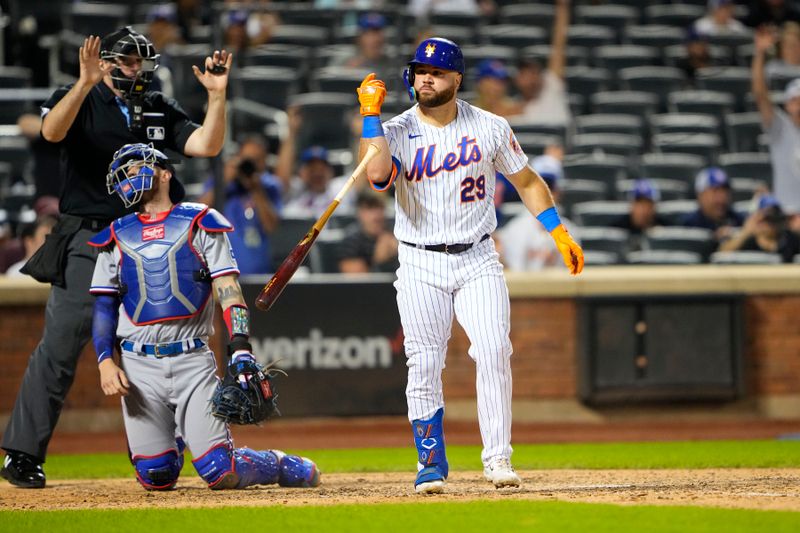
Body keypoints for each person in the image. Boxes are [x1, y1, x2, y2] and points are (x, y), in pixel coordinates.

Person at [1, 27, 232, 489]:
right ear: (104, 61)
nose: (136, 70)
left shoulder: (157, 106)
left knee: (165, 339)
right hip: (92, 238)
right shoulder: (79, 95)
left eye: (141, 62)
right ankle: (23, 455)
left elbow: (206, 145)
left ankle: (171, 440)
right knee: (62, 344)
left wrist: (218, 97)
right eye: (127, 61)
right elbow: (51, 131)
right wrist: (85, 83)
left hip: (153, 241)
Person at [355, 38, 584, 493]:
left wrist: (558, 231)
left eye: (436, 72)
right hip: (419, 260)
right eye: (420, 69)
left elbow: (527, 180)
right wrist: (369, 117)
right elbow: (378, 176)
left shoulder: (491, 127)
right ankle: (430, 463)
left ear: (457, 78)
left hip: (478, 255)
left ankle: (497, 458)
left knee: (495, 350)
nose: (426, 77)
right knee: (423, 362)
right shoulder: (394, 129)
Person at [88, 143, 320, 491]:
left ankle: (278, 464)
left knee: (219, 470)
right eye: (124, 172)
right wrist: (106, 360)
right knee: (156, 476)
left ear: (165, 173)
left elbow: (228, 288)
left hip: (191, 358)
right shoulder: (114, 235)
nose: (129, 177)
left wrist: (240, 346)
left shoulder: (200, 222)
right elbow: (104, 307)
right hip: (138, 364)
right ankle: (177, 436)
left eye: (136, 167)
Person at [198, 136, 282, 275]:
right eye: (247, 159)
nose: (250, 165)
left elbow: (271, 226)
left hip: (260, 273)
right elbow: (199, 212)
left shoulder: (269, 186)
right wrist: (224, 179)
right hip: (224, 273)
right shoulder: (223, 183)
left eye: (256, 161)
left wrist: (257, 190)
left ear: (264, 162)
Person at [497, 155, 580, 271]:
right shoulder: (514, 229)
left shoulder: (571, 232)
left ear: (558, 191)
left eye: (549, 186)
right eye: (539, 186)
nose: (544, 192)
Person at [752, 25, 800, 213]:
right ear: (787, 105)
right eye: (795, 101)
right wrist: (760, 54)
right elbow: (760, 95)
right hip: (785, 214)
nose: (799, 106)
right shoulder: (780, 126)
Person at [511, 0, 570, 125]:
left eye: (534, 72)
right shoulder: (513, 109)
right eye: (525, 74)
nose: (531, 79)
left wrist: (563, 7)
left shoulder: (551, 85)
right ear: (517, 80)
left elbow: (559, 45)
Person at [717, 194, 800, 260]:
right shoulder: (747, 241)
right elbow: (721, 255)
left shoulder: (789, 239)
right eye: (765, 218)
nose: (770, 222)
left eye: (773, 217)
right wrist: (746, 231)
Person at [338, 191, 398, 274]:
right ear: (360, 212)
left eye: (380, 208)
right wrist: (379, 260)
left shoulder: (396, 232)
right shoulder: (351, 240)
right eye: (370, 208)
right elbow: (355, 280)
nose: (376, 215)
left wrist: (401, 251)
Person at [681, 167, 745, 242]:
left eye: (725, 191)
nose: (721, 198)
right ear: (700, 195)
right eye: (715, 191)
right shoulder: (688, 225)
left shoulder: (740, 221)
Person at [610, 180, 672, 252]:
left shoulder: (666, 226)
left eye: (647, 204)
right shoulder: (617, 227)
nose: (643, 209)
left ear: (654, 206)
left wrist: (660, 237)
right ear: (632, 205)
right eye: (639, 203)